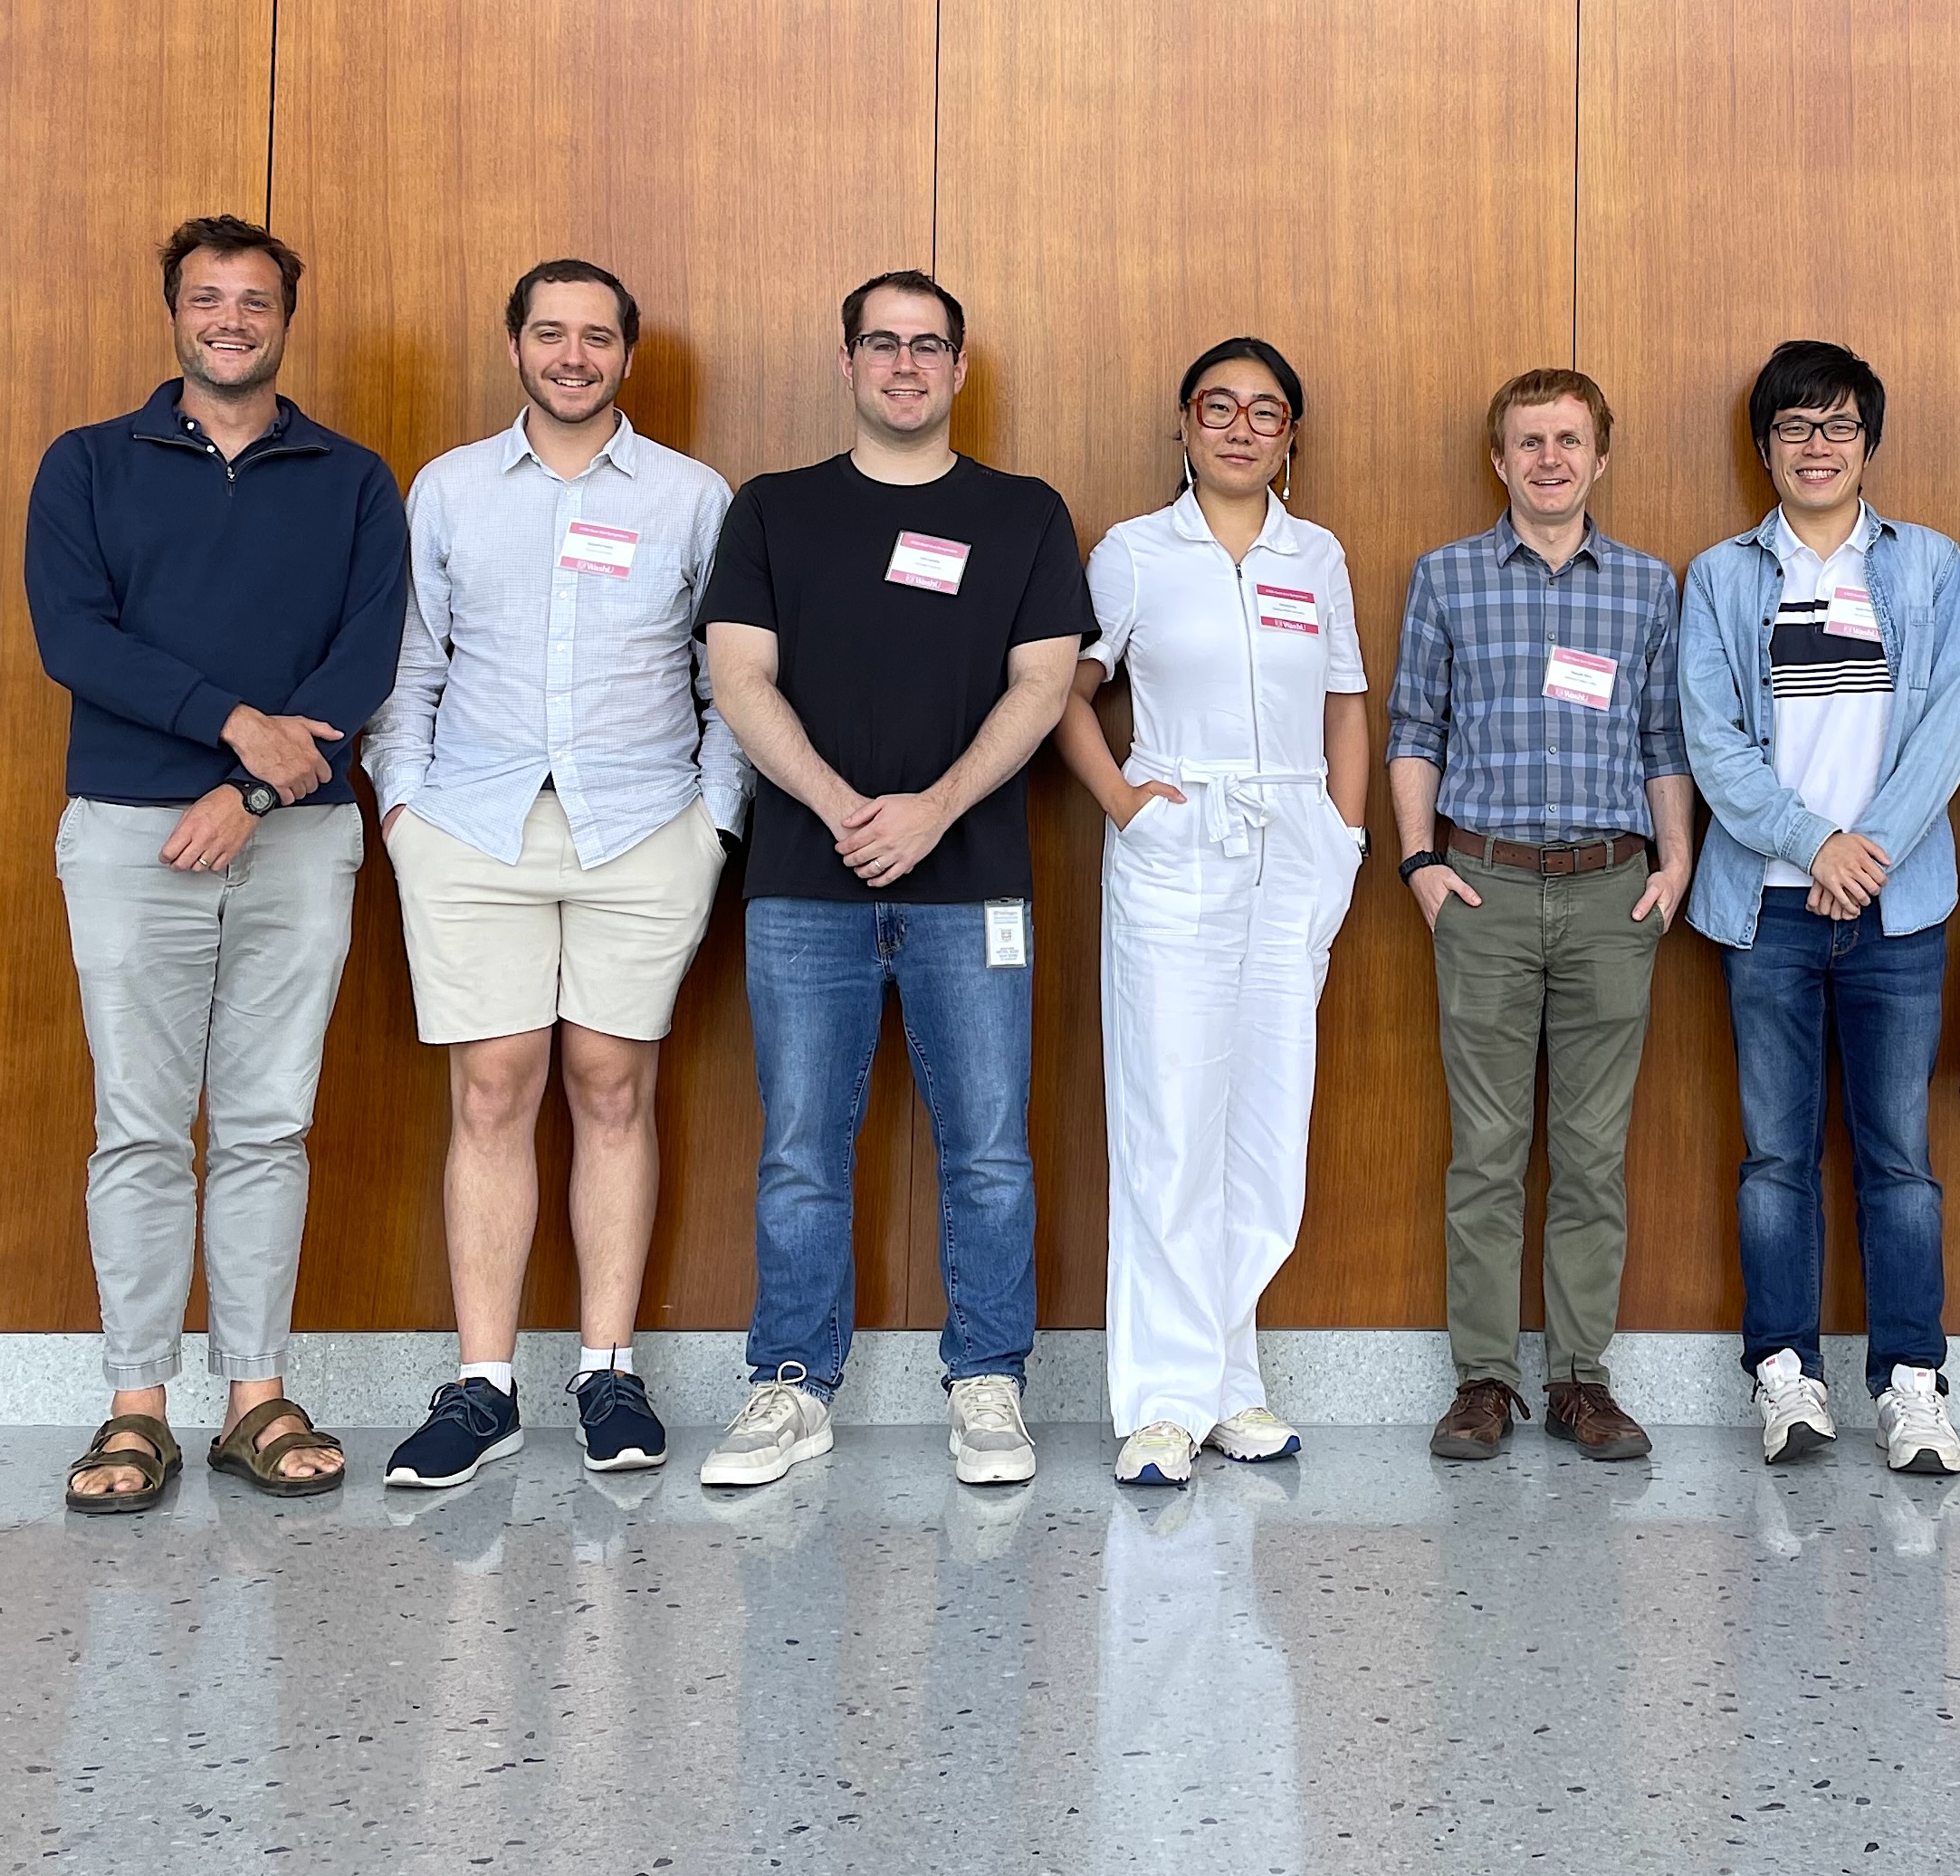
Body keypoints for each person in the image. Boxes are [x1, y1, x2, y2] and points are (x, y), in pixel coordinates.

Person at [24, 215, 406, 1511]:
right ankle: (135, 1407)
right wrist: (231, 726)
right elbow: (76, 639)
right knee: (138, 1125)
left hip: (294, 836)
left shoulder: (354, 479)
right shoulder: (85, 465)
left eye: (254, 299)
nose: (231, 318)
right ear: (174, 312)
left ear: (285, 317)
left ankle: (255, 1396)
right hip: (132, 833)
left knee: (266, 1124)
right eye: (208, 297)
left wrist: (249, 784)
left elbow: (366, 660)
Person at [699, 270, 1092, 1489]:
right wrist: (836, 806)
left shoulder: (1024, 514)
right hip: (803, 886)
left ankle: (987, 1384)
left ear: (960, 368)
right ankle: (788, 1389)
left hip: (971, 883)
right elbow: (739, 677)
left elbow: (1044, 685)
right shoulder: (773, 510)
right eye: (884, 343)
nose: (906, 365)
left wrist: (932, 811)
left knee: (990, 1149)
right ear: (848, 360)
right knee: (801, 1148)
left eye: (930, 346)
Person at [365, 259, 748, 1488]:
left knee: (610, 1083)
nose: (572, 355)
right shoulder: (452, 489)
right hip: (471, 825)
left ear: (628, 354)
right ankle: (484, 1386)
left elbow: (726, 677)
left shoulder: (693, 498)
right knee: (492, 1084)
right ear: (515, 344)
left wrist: (715, 823)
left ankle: (607, 1371)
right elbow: (411, 663)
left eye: (595, 337)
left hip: (645, 826)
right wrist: (405, 809)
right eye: (549, 332)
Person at [1054, 340, 1372, 1488]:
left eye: (1267, 412)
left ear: (1292, 435)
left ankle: (1229, 1380)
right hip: (1177, 846)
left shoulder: (1315, 554)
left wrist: (1342, 837)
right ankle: (1159, 1401)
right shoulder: (1135, 552)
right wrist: (1127, 804)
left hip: (1293, 849)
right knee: (1170, 1122)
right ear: (1183, 423)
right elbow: (1067, 694)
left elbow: (1344, 702)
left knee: (1262, 1125)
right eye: (1218, 408)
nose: (1242, 429)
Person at [1680, 341, 1960, 1474]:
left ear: (1868, 445)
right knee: (1773, 1157)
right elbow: (1714, 741)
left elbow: (1948, 721)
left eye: (1838, 426)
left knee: (1898, 1154)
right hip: (1766, 905)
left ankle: (1912, 1383)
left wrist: (1871, 852)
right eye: (1795, 428)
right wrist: (1816, 846)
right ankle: (1784, 1378)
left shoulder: (1925, 565)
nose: (1817, 447)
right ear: (1762, 447)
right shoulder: (1719, 576)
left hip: (1896, 910)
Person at [1390, 369, 1694, 1463]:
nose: (1550, 458)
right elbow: (1412, 728)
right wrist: (1420, 861)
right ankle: (1482, 1381)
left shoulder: (1649, 589)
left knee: (1591, 1153)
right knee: (1484, 1148)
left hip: (1615, 893)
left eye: (1570, 440)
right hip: (1482, 888)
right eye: (1529, 441)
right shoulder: (1447, 578)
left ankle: (1580, 1382)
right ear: (1499, 458)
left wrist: (1675, 862)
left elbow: (1664, 739)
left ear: (1599, 457)